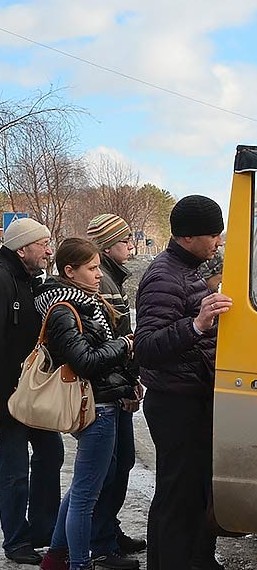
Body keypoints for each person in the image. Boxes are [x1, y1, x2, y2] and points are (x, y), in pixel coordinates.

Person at [134, 195, 231, 570]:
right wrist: (197, 325)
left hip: (192, 396)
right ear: (188, 237)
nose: (218, 242)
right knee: (176, 496)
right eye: (212, 235)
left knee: (191, 493)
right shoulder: (164, 275)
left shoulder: (190, 268)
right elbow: (146, 347)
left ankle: (196, 559)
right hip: (174, 403)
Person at [34, 238, 138, 570]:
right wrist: (123, 345)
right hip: (95, 408)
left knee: (84, 487)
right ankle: (79, 563)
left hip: (105, 402)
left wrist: (127, 381)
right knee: (85, 495)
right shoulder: (65, 310)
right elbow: (85, 362)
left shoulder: (85, 302)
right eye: (91, 268)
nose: (98, 275)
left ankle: (55, 556)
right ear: (70, 271)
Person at [0, 218, 64, 565]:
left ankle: (43, 528)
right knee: (13, 472)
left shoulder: (28, 281)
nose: (49, 250)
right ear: (22, 248)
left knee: (51, 454)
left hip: (31, 394)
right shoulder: (3, 279)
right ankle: (16, 541)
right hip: (8, 399)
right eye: (42, 244)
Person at [85, 215, 147, 560]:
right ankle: (101, 541)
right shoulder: (104, 282)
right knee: (108, 469)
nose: (130, 246)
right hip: (108, 392)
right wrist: (126, 386)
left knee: (120, 463)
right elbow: (115, 343)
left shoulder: (112, 277)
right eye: (125, 241)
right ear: (109, 245)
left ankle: (107, 529)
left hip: (117, 386)